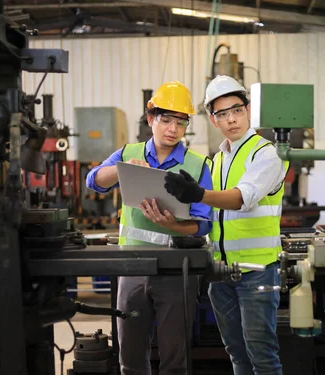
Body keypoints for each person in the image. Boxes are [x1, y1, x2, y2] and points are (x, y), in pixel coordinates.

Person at [85, 81, 213, 375]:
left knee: (174, 359)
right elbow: (93, 180)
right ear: (151, 119)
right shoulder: (128, 153)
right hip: (131, 268)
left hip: (175, 270)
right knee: (130, 357)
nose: (172, 129)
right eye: (166, 120)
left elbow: (203, 223)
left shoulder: (198, 165)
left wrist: (174, 226)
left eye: (180, 123)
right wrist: (121, 169)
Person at [164, 75, 287, 375]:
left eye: (237, 110)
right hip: (220, 273)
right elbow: (213, 215)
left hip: (256, 273)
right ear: (212, 119)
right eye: (222, 114)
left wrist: (198, 193)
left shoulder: (266, 153)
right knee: (236, 353)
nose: (232, 119)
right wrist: (175, 221)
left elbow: (241, 198)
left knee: (262, 355)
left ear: (248, 109)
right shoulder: (218, 159)